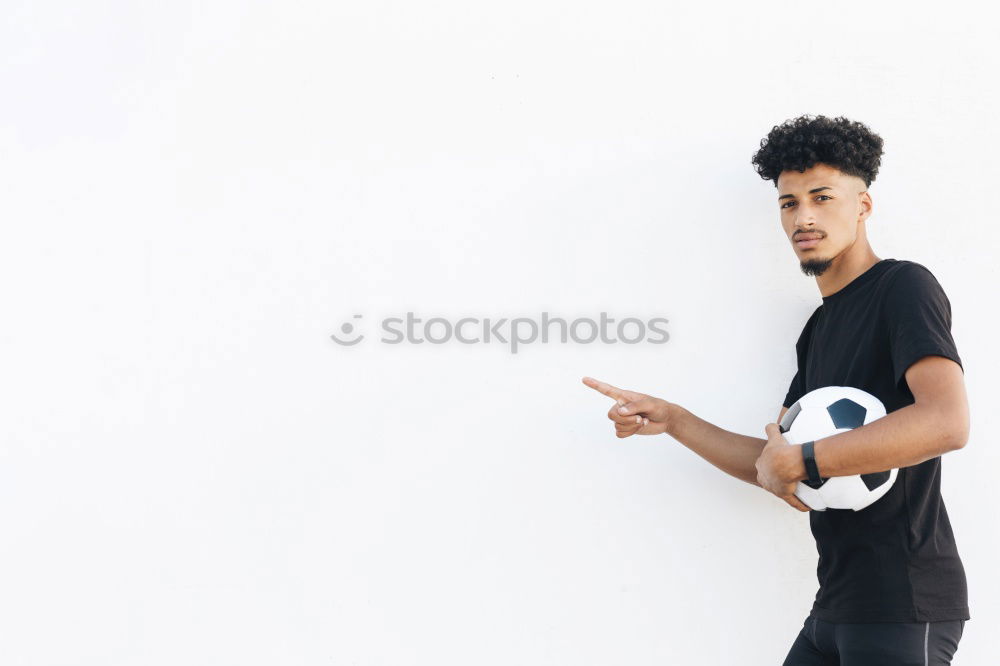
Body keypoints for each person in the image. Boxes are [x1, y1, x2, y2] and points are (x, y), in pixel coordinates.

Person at [582, 115, 970, 665]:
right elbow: (775, 462)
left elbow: (946, 423)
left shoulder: (903, 288)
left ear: (863, 205)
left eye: (821, 197)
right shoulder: (817, 329)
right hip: (835, 604)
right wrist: (675, 420)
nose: (803, 217)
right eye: (789, 203)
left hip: (903, 603)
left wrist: (805, 460)